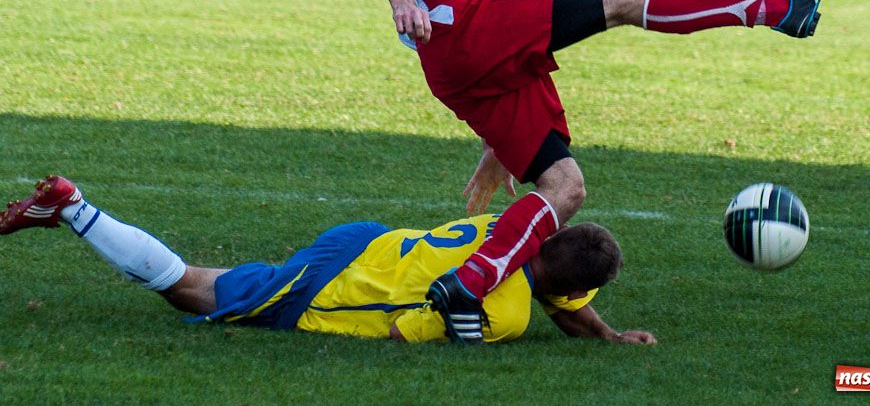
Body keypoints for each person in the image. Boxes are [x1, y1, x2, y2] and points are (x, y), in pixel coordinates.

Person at [371, 0, 841, 343]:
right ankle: (777, 8)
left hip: (470, 55)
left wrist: (495, 144)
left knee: (565, 186)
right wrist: (402, 0)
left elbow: (489, 41)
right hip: (462, 22)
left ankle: (465, 288)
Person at [1, 175, 655, 345]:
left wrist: (609, 333)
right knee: (188, 287)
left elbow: (566, 301)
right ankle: (69, 207)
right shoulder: (508, 312)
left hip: (362, 240)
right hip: (336, 290)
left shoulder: (508, 228)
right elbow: (406, 329)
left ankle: (69, 212)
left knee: (219, 279)